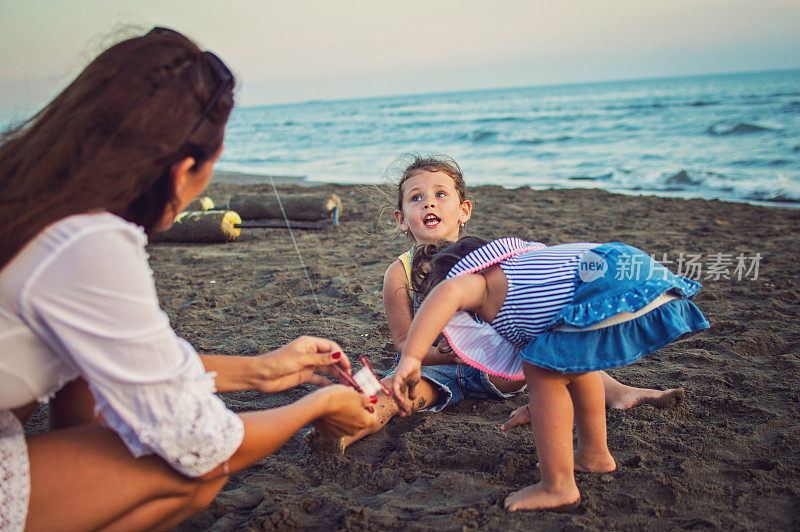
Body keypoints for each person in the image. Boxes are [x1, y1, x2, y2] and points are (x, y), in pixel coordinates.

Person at [0, 27, 377, 531]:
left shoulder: (30, 193)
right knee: (191, 474)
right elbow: (202, 446)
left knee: (86, 384)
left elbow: (126, 361)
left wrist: (261, 371)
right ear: (181, 173)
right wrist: (318, 405)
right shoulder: (85, 242)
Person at [311, 154, 683, 452]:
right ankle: (350, 429)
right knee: (396, 394)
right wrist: (446, 356)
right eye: (416, 197)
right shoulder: (400, 272)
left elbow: (518, 312)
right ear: (401, 219)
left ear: (464, 210)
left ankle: (618, 393)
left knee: (555, 351)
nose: (429, 202)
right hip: (434, 370)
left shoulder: (485, 257)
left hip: (493, 366)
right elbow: (405, 344)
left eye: (441, 194)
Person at [390, 235, 709, 511]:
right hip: (624, 271)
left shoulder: (480, 282)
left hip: (605, 285)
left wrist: (412, 357)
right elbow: (559, 380)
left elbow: (448, 294)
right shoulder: (523, 284)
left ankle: (557, 486)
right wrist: (534, 408)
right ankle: (594, 455)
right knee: (572, 367)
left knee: (541, 369)